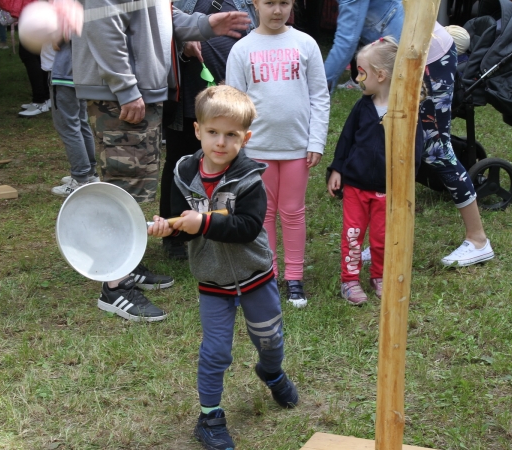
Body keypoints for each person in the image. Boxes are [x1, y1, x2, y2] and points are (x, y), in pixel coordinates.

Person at [72, 0, 251, 321]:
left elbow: (161, 13)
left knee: (135, 184)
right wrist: (125, 88)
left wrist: (207, 25)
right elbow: (102, 24)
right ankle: (114, 286)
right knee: (121, 181)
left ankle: (124, 263)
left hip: (139, 90)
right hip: (119, 93)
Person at [148, 85, 298, 450]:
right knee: (216, 351)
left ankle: (271, 372)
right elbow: (182, 229)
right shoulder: (184, 173)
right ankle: (210, 416)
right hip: (212, 280)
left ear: (245, 138)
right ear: (197, 130)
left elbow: (248, 227)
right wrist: (169, 228)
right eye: (213, 132)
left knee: (270, 341)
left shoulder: (249, 179)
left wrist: (203, 223)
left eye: (231, 135)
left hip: (255, 276)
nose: (220, 142)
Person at [226, 0, 330, 308]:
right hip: (258, 149)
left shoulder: (305, 43)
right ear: (255, 4)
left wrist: (316, 142)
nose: (276, 10)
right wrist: (236, 145)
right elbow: (234, 103)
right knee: (264, 213)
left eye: (284, 3)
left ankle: (294, 277)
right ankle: (267, 274)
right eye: (269, 3)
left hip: (297, 147)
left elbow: (319, 97)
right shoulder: (242, 50)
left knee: (293, 211)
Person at [326, 36, 423, 305]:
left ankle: (379, 275)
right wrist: (337, 169)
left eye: (361, 73)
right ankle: (350, 280)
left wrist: (406, 180)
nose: (358, 79)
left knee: (382, 238)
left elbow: (415, 148)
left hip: (387, 189)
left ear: (380, 75)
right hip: (356, 186)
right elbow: (346, 140)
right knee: (353, 236)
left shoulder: (405, 110)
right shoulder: (361, 107)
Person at [160, 0, 255, 260]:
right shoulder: (178, 3)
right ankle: (174, 233)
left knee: (227, 165)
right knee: (180, 163)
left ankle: (223, 226)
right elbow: (160, 41)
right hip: (189, 98)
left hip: (232, 100)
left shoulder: (246, 3)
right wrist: (183, 48)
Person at [420, 23, 495, 266]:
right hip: (397, 56)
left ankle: (478, 240)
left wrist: (327, 76)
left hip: (431, 56)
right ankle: (385, 239)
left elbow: (351, 31)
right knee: (392, 145)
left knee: (437, 150)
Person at [48, 41, 99, 197]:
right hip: (81, 73)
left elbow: (56, 41)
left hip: (65, 73)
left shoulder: (70, 16)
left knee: (68, 127)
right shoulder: (89, 15)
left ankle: (80, 179)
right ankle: (89, 174)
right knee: (81, 123)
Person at [323, 0, 403, 94]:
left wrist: (319, 87)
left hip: (398, 35)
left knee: (398, 95)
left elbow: (345, 42)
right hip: (383, 29)